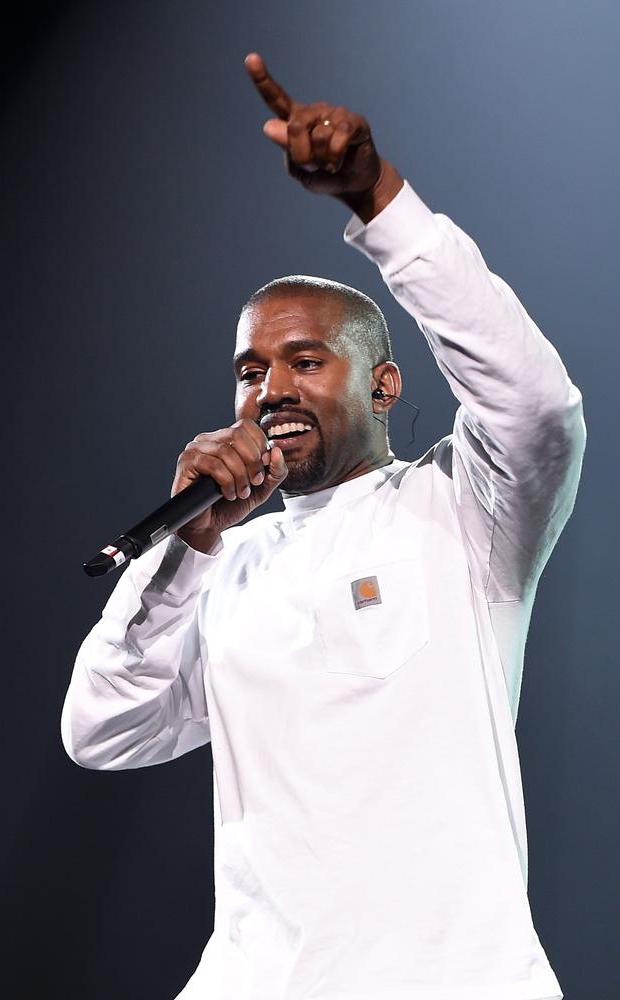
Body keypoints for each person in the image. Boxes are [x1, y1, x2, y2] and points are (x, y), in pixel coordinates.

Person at [61, 52, 585, 1000]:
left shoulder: (464, 512)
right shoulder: (222, 565)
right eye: (251, 370)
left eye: (306, 360)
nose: (271, 388)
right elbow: (101, 730)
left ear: (384, 385)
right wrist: (190, 547)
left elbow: (536, 404)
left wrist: (380, 203)